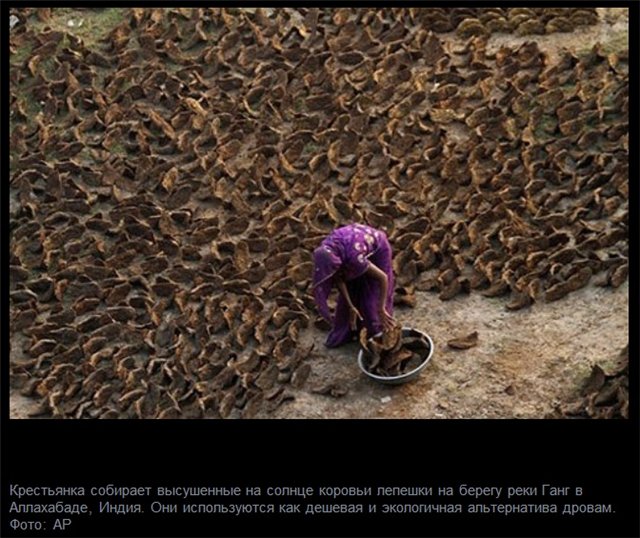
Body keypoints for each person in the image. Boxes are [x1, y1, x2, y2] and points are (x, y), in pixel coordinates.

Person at [312, 223, 396, 348]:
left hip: (378, 248)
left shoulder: (354, 258)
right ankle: (351, 331)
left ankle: (378, 336)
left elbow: (383, 278)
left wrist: (381, 308)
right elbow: (339, 278)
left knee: (371, 303)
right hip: (355, 246)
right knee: (351, 294)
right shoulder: (326, 250)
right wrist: (351, 306)